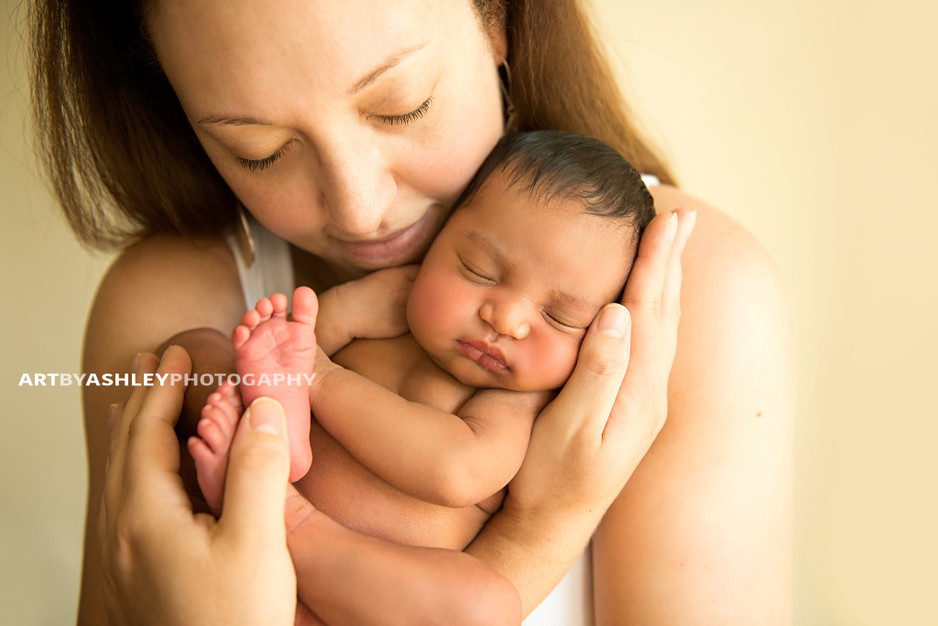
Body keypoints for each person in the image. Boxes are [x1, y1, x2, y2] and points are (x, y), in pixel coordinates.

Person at [30, 0, 792, 623]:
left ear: (500, 18)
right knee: (191, 354)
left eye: (401, 106)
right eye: (259, 150)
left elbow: (462, 479)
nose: (360, 209)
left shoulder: (687, 302)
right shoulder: (164, 296)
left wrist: (544, 528)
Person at [187, 132, 655, 553]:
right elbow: (280, 352)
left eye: (560, 317)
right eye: (479, 270)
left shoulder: (517, 402)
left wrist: (318, 377)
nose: (507, 319)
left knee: (484, 604)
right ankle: (256, 460)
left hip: (370, 582)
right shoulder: (385, 311)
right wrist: (342, 310)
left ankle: (262, 487)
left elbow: (456, 471)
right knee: (196, 349)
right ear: (433, 239)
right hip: (254, 530)